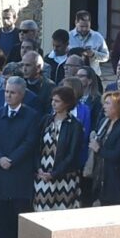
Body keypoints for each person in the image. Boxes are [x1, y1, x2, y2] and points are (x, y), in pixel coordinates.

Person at [0, 75, 44, 238]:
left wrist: (12, 159)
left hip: (20, 169)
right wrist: (0, 157)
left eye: (13, 93)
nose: (8, 96)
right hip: (0, 168)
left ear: (22, 94)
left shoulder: (32, 116)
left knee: (20, 209)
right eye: (6, 92)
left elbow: (30, 141)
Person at [34, 84, 88, 215]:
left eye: (57, 101)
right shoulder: (46, 120)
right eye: (52, 100)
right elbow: (37, 146)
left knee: (62, 214)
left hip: (64, 177)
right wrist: (38, 169)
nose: (53, 103)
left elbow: (72, 154)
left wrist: (54, 174)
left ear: (67, 103)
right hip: (43, 175)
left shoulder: (75, 125)